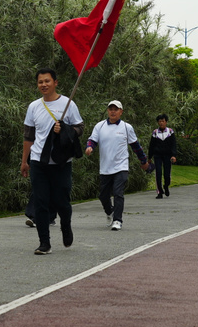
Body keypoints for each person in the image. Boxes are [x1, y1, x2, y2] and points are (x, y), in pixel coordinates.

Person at [20, 68, 83, 255]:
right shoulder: (34, 107)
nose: (44, 85)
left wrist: (65, 129)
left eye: (47, 81)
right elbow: (28, 137)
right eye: (40, 82)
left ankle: (66, 225)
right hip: (39, 161)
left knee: (62, 201)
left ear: (55, 82)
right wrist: (25, 161)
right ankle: (44, 243)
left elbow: (80, 127)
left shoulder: (68, 104)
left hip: (61, 162)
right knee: (40, 201)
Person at [85, 100, 150, 231]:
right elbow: (92, 140)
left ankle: (117, 220)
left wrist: (143, 161)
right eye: (110, 109)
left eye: (116, 109)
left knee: (118, 193)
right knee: (103, 195)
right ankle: (110, 212)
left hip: (121, 166)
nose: (113, 111)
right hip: (105, 167)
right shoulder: (100, 126)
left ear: (121, 111)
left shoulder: (127, 127)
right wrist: (89, 147)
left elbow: (135, 146)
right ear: (108, 111)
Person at [148, 113, 177, 198]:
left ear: (166, 122)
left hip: (168, 156)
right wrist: (149, 157)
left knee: (167, 174)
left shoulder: (170, 132)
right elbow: (151, 145)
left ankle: (166, 186)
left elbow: (173, 144)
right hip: (158, 156)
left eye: (163, 121)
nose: (161, 123)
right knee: (158, 173)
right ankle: (159, 192)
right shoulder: (155, 132)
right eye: (160, 121)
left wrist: (174, 155)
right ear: (158, 122)